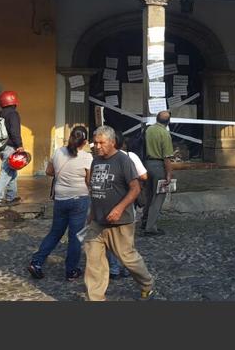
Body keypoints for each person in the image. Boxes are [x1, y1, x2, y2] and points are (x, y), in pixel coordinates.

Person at [83, 125, 155, 301]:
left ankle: (147, 284)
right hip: (98, 222)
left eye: (101, 143)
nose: (97, 146)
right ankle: (96, 298)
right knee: (93, 262)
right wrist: (91, 214)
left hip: (120, 222)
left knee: (127, 258)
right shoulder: (96, 161)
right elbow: (95, 189)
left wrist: (119, 208)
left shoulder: (123, 160)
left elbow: (136, 188)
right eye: (95, 143)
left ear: (112, 142)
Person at [28, 126, 94, 281]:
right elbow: (88, 180)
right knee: (75, 236)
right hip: (79, 199)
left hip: (60, 199)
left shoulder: (58, 152)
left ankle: (37, 262)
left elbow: (49, 172)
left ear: (70, 137)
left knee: (55, 233)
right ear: (85, 141)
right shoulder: (87, 157)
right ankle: (71, 270)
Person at [108, 132, 149, 280]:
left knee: (111, 236)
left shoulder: (103, 158)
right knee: (126, 238)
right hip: (127, 201)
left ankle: (113, 268)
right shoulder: (131, 157)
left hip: (108, 202)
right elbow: (144, 176)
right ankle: (126, 268)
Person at [0, 90, 24, 207]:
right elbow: (14, 131)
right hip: (10, 147)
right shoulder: (13, 114)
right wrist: (19, 145)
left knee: (12, 172)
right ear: (14, 102)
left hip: (2, 147)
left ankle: (11, 197)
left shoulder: (1, 114)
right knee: (6, 172)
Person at [141, 110, 174, 237]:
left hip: (147, 164)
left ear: (157, 119)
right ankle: (150, 227)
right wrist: (169, 174)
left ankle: (145, 220)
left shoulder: (149, 130)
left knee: (149, 195)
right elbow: (167, 157)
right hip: (159, 166)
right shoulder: (165, 134)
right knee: (158, 197)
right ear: (168, 121)